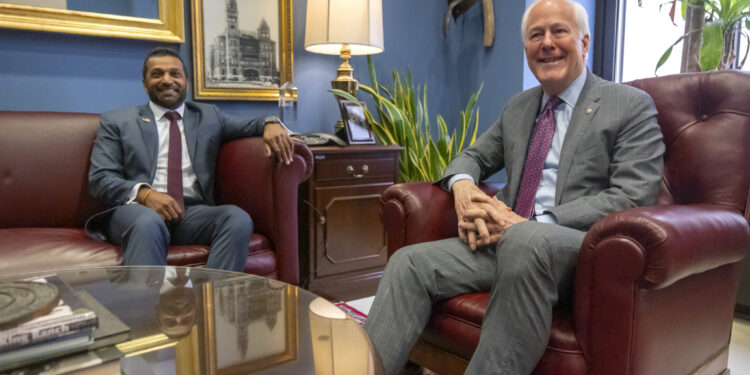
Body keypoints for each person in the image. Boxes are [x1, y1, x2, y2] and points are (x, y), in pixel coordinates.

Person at [363, 0, 665, 374]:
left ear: (584, 43)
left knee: (527, 240)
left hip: (578, 248)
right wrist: (463, 189)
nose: (547, 43)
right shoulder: (519, 108)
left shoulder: (628, 105)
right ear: (526, 50)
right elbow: (470, 157)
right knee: (408, 263)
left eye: (559, 31)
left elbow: (633, 195)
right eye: (535, 35)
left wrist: (532, 221)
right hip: (501, 240)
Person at [88, 47, 294, 272]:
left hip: (192, 214)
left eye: (175, 74)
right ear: (145, 85)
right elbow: (100, 178)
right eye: (157, 74)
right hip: (136, 212)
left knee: (237, 218)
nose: (167, 80)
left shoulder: (209, 116)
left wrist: (272, 122)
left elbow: (252, 123)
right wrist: (146, 195)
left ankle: (212, 300)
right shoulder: (118, 121)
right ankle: (144, 306)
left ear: (186, 82)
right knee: (147, 222)